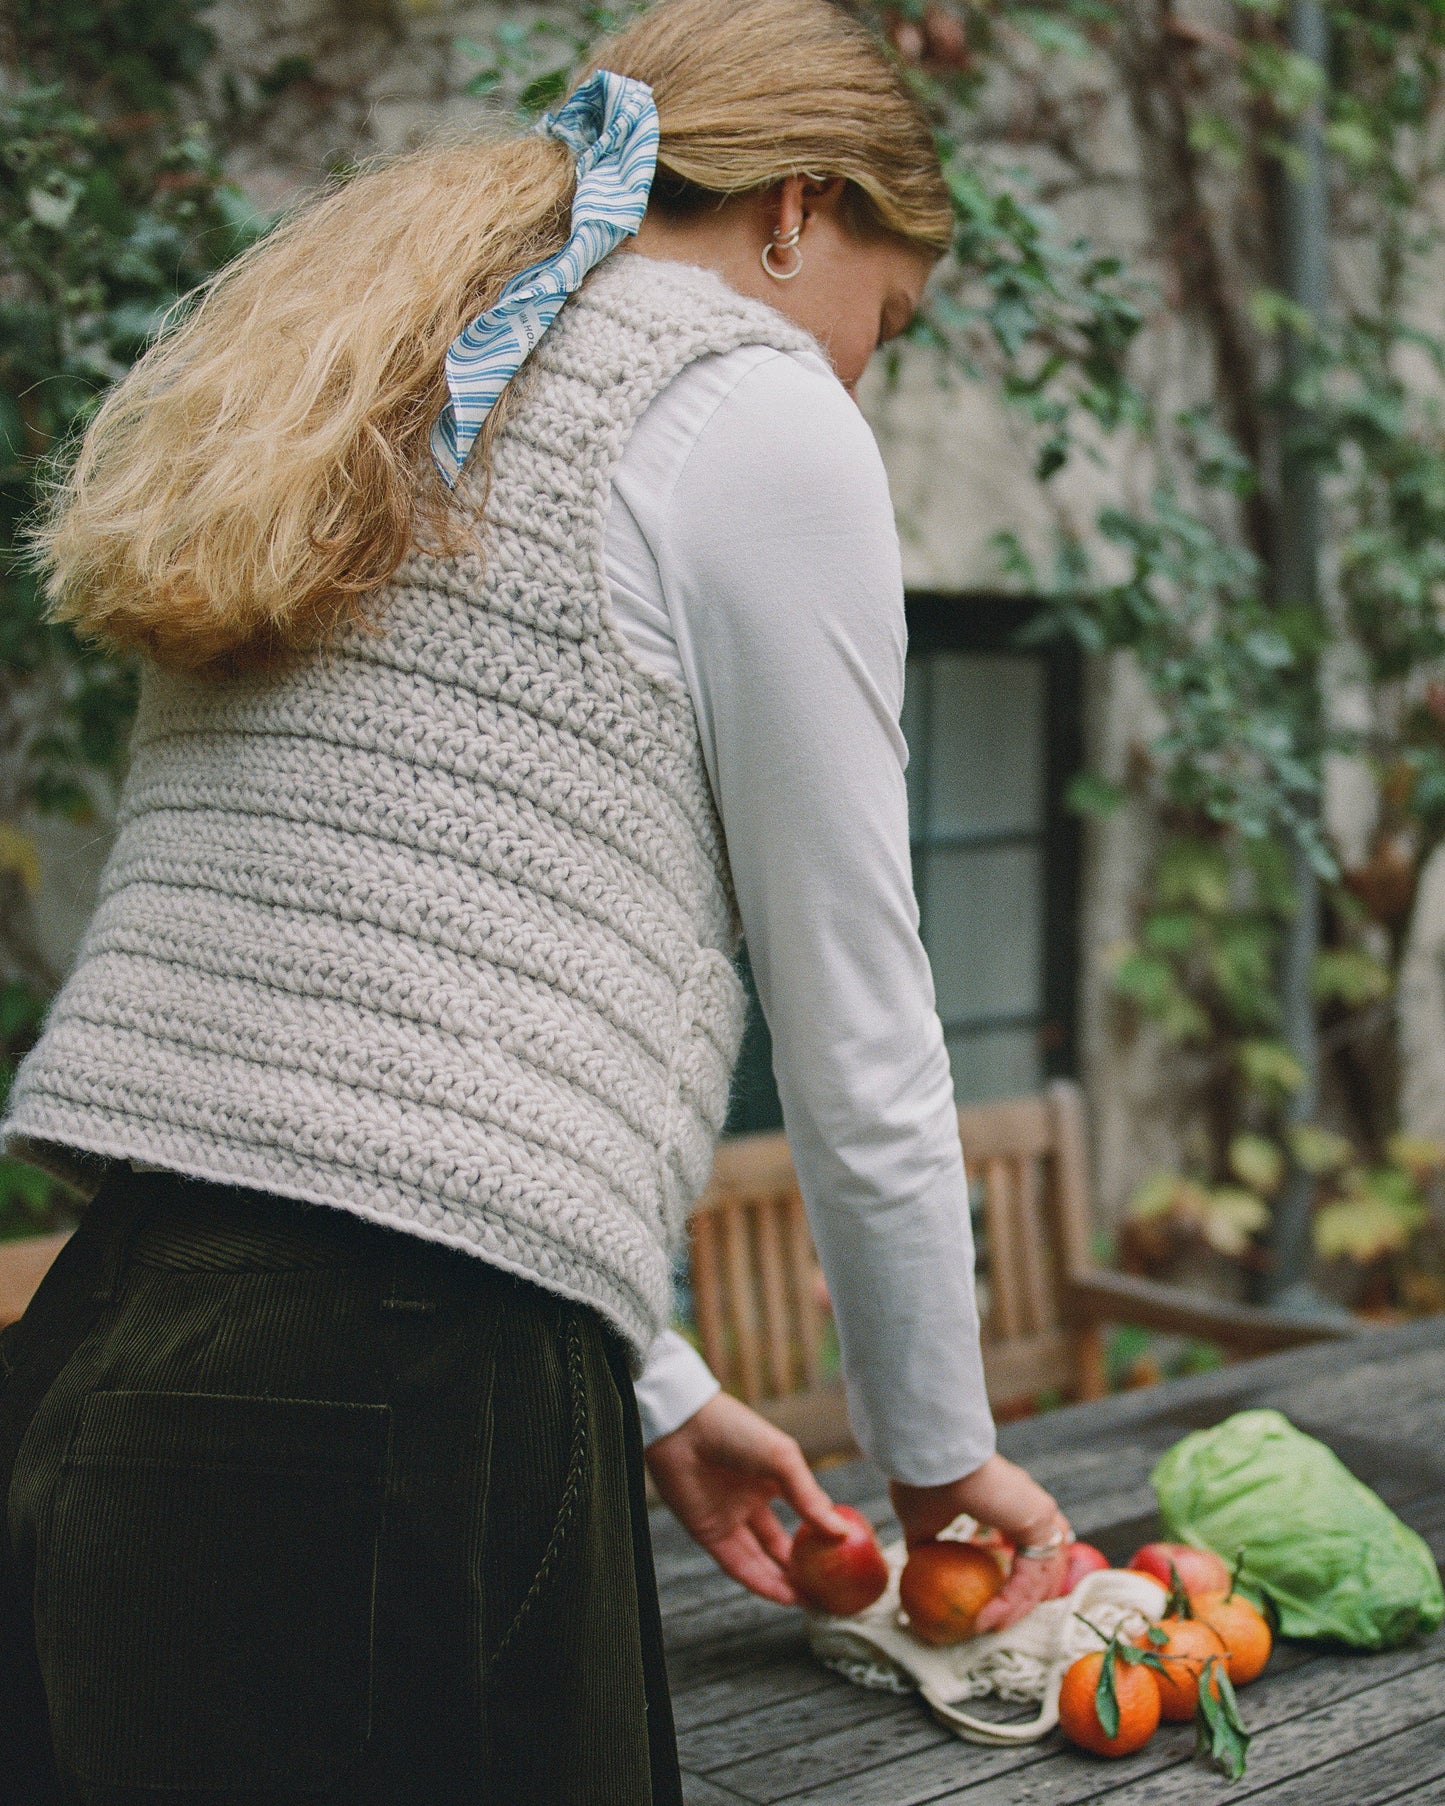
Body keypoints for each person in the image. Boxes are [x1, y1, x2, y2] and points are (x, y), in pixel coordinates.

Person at [0, 2, 1070, 1800]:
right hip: (395, 1401)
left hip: (105, 1356)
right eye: (886, 324)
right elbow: (858, 1016)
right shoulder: (743, 407)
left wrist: (653, 1380)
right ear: (800, 207)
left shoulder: (367, 380)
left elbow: (342, 1027)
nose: (859, 379)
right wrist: (942, 1460)